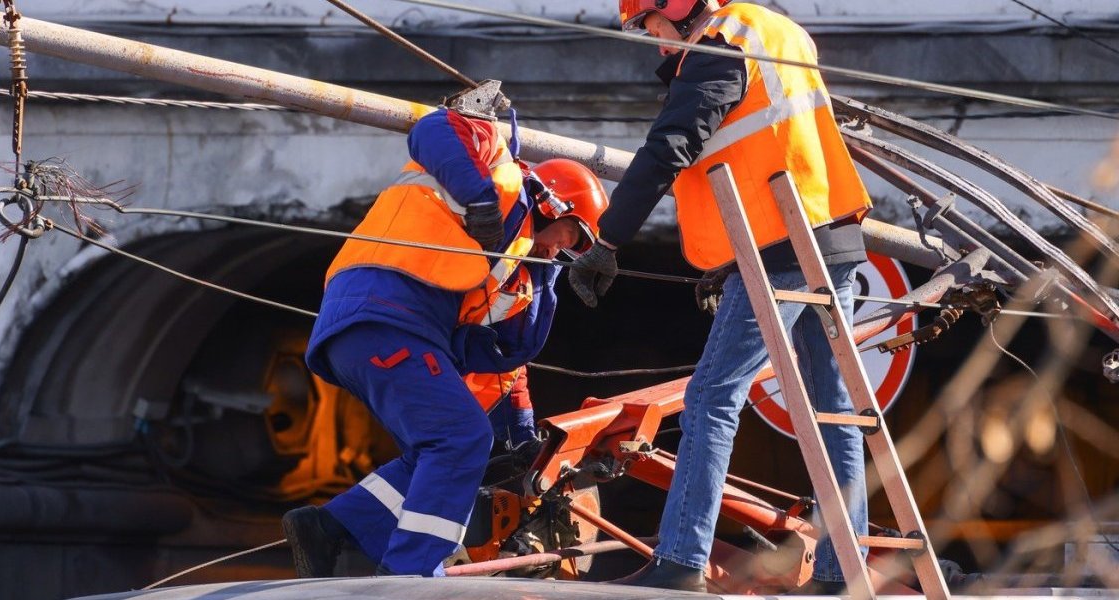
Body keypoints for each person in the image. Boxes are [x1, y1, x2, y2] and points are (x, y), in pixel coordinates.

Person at [569, 0, 873, 593]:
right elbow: (771, 146)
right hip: (830, 236)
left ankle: (682, 560)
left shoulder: (719, 46)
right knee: (832, 410)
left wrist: (607, 241)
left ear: (678, 7)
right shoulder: (776, 30)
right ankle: (842, 575)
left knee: (712, 397)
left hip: (780, 249)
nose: (657, 43)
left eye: (652, 26)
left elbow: (669, 147)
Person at [282, 105, 609, 579]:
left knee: (434, 451)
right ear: (557, 205)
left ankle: (329, 528)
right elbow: (434, 128)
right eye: (573, 238)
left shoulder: (512, 267)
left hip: (368, 332)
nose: (561, 251)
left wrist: (521, 435)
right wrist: (481, 200)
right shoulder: (497, 177)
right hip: (387, 316)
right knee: (462, 439)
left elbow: (504, 362)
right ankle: (412, 573)